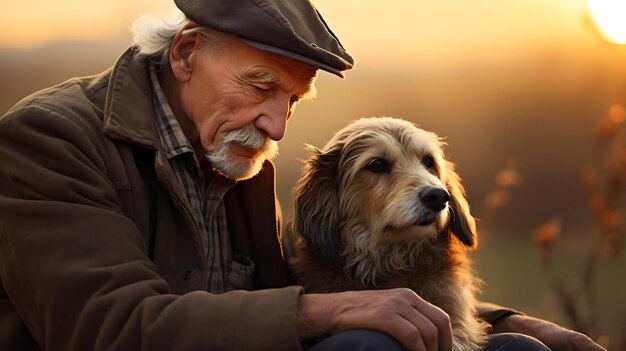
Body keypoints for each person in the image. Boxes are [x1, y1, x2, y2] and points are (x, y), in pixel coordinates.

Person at [0, 0, 605, 350]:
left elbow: (315, 284)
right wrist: (328, 315)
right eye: (262, 85)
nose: (277, 126)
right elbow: (109, 327)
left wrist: (505, 321)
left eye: (292, 100)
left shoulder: (233, 156)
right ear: (185, 53)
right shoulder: (52, 139)